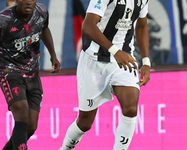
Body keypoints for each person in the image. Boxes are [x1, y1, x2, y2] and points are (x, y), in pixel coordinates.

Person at [59, 0, 150, 149]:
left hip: (124, 60)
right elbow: (88, 26)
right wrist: (115, 51)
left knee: (131, 108)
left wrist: (146, 61)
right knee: (84, 123)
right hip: (94, 60)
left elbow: (141, 26)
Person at [0, 0, 60, 150]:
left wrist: (53, 55)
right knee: (21, 110)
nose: (28, 2)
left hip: (32, 73)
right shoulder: (4, 20)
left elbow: (44, 29)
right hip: (9, 71)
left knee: (31, 126)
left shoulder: (41, 11)